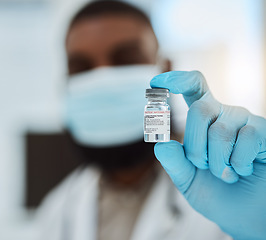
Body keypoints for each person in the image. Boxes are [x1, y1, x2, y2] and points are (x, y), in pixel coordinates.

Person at [34, 1, 266, 240]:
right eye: (81, 67)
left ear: (165, 69)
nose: (103, 81)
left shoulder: (233, 182)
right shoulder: (56, 212)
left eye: (125, 60)